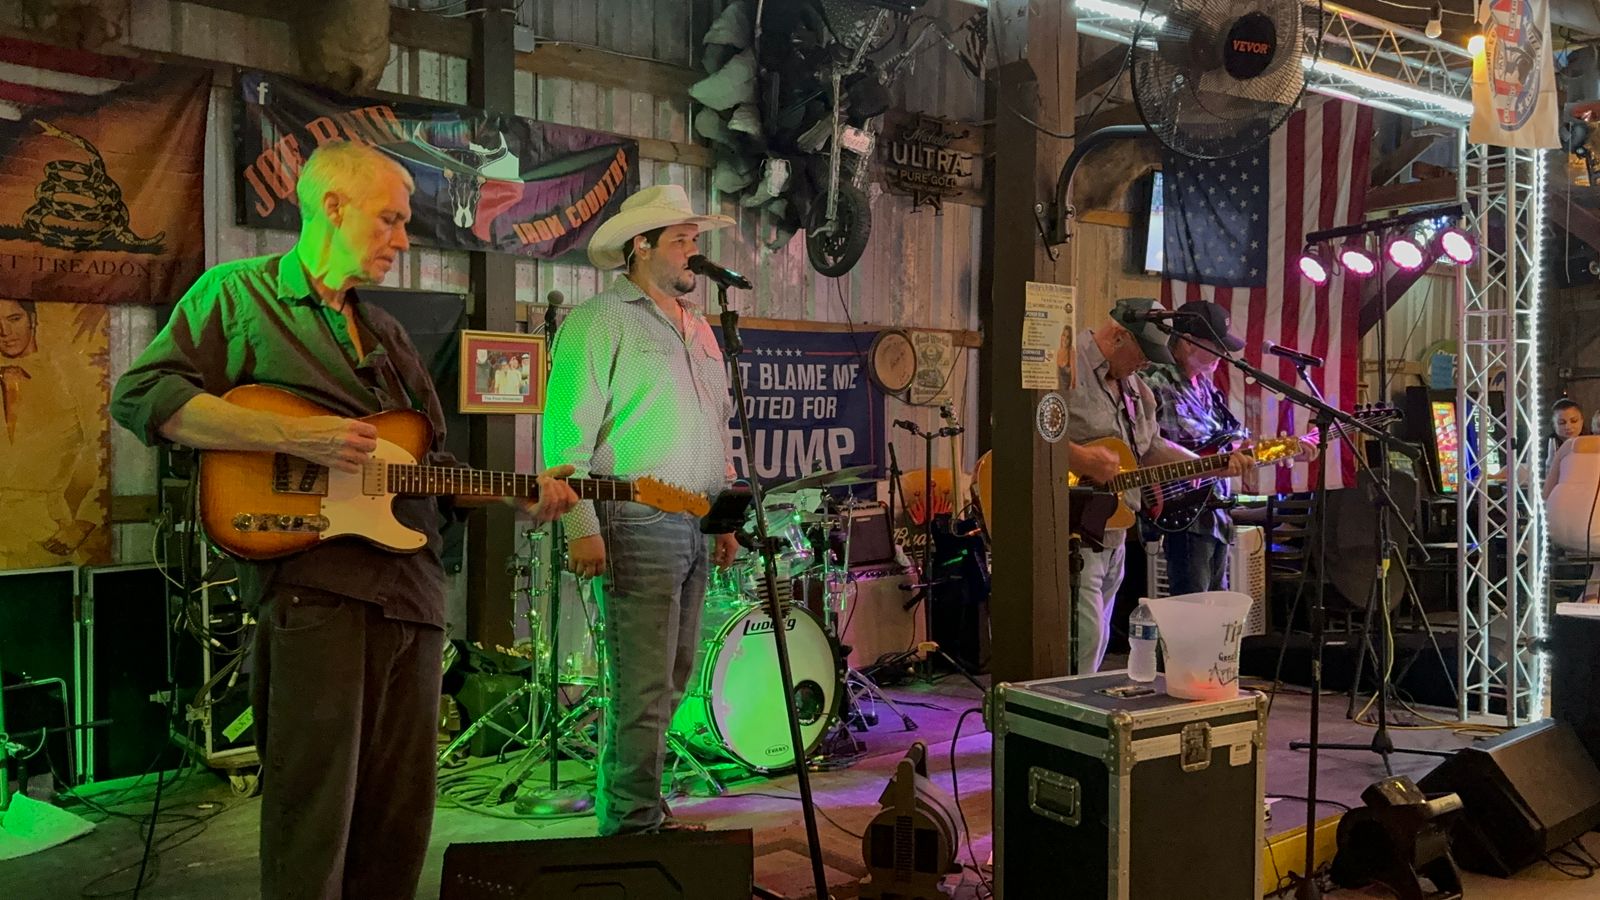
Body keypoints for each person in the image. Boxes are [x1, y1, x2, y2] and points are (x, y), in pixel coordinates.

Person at [110, 141, 579, 900]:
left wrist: (518, 492)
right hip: (317, 595)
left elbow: (425, 468)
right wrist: (296, 437)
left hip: (413, 599)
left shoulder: (387, 335)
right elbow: (142, 396)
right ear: (332, 207)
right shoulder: (237, 295)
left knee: (399, 820)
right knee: (314, 818)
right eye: (390, 219)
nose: (404, 239)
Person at [543, 184, 741, 835]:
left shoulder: (701, 327)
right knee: (642, 689)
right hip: (634, 519)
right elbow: (563, 435)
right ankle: (630, 831)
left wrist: (723, 517)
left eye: (694, 239)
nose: (693, 251)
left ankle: (643, 813)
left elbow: (715, 426)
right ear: (641, 246)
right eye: (681, 239)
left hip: (694, 520)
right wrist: (581, 526)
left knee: (673, 680)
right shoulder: (599, 319)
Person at [1061, 298, 1250, 673]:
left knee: (1094, 645)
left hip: (1112, 531)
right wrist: (1082, 459)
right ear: (1119, 336)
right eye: (1143, 354)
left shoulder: (1136, 389)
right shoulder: (1065, 365)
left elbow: (1150, 449)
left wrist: (1209, 466)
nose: (1146, 365)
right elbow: (1026, 430)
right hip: (1070, 529)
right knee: (1084, 642)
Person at [1142, 301, 1318, 595]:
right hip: (1181, 513)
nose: (1224, 354)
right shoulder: (1155, 381)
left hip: (1215, 515)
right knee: (1193, 610)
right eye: (1217, 346)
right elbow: (1155, 443)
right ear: (1188, 343)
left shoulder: (1207, 389)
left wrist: (1285, 449)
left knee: (1217, 611)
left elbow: (1234, 445)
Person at [0, 298, 102, 567]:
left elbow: (103, 447)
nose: (5, 332)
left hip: (45, 533)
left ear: (32, 319)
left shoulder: (68, 376)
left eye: (14, 319)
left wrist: (84, 522)